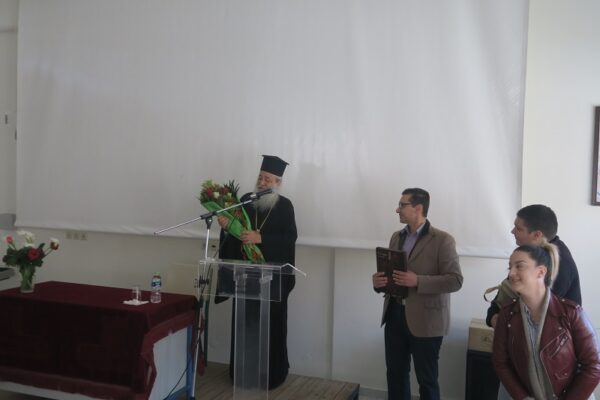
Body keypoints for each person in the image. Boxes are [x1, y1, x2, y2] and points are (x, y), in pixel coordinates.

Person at [372, 188, 463, 400]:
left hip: (427, 321)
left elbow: (455, 280)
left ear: (418, 208)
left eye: (402, 205)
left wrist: (418, 281)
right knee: (395, 375)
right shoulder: (397, 237)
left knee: (427, 380)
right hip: (394, 314)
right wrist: (378, 283)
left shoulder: (443, 240)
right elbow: (393, 275)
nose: (397, 210)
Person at [216, 155, 297, 390]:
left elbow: (289, 240)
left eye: (267, 179)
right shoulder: (245, 200)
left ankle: (272, 376)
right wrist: (226, 228)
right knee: (245, 325)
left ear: (278, 183)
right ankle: (242, 373)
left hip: (272, 282)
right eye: (260, 177)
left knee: (271, 328)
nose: (261, 182)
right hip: (245, 278)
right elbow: (235, 235)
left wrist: (261, 239)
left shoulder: (285, 206)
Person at [492, 243, 600, 400]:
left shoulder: (571, 313)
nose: (511, 273)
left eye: (519, 266)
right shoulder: (506, 315)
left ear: (541, 272)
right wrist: (523, 397)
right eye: (510, 267)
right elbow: (501, 363)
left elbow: (593, 365)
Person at [486, 204, 581, 328]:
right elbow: (502, 298)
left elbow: (538, 318)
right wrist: (493, 318)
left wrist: (503, 322)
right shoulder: (527, 255)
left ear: (537, 235)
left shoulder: (561, 264)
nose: (512, 231)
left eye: (518, 229)